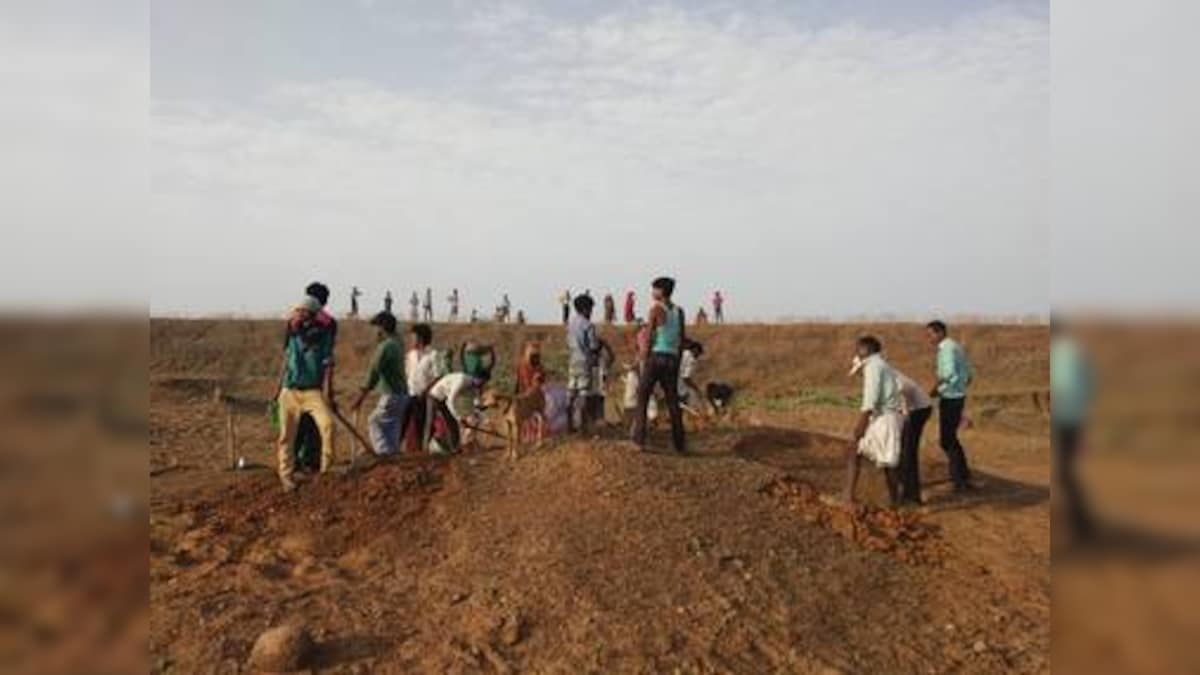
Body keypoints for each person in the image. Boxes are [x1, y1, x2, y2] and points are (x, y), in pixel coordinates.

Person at [274, 294, 337, 492]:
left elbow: (328, 363)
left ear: (311, 314)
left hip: (313, 391)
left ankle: (326, 471)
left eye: (302, 312)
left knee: (328, 426)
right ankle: (286, 475)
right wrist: (277, 388)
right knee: (287, 435)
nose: (298, 316)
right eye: (297, 312)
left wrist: (328, 390)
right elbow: (286, 360)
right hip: (290, 390)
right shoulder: (291, 332)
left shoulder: (322, 335)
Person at [851, 355, 932, 505]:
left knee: (907, 452)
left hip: (919, 408)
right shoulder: (879, 373)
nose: (861, 375)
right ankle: (905, 492)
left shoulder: (882, 372)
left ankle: (911, 497)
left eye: (860, 371)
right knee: (902, 451)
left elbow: (901, 389)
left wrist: (904, 414)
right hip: (910, 409)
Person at [843, 336, 904, 506]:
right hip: (885, 417)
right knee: (861, 454)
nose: (857, 352)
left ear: (865, 350)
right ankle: (850, 497)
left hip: (885, 419)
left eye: (858, 349)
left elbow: (870, 400)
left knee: (888, 464)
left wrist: (859, 428)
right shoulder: (881, 365)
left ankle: (895, 502)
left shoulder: (873, 367)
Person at [631, 276, 687, 454]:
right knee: (673, 402)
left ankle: (639, 441)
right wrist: (677, 363)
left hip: (656, 357)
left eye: (654, 289)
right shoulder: (679, 311)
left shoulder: (655, 309)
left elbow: (648, 337)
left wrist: (643, 359)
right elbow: (681, 340)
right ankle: (680, 445)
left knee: (642, 396)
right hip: (672, 358)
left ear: (661, 292)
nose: (652, 292)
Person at [1050, 319, 1094, 540]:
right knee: (1068, 471)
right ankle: (1080, 520)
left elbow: (1063, 387)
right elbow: (1091, 384)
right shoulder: (1076, 350)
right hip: (1078, 416)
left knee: (1066, 472)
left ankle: (1082, 524)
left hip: (1066, 417)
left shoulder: (1062, 353)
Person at [926, 320, 975, 491]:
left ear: (940, 333)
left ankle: (959, 481)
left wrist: (935, 390)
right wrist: (959, 388)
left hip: (950, 398)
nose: (929, 338)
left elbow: (947, 373)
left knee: (946, 440)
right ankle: (963, 476)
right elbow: (969, 375)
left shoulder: (946, 349)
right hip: (958, 396)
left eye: (931, 334)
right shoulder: (956, 347)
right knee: (950, 438)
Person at [350, 312, 408, 456]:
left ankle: (383, 453)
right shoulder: (398, 342)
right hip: (401, 393)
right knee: (392, 426)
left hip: (392, 393)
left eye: (376, 327)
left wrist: (360, 397)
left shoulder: (386, 346)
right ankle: (392, 453)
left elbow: (373, 372)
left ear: (382, 328)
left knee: (374, 421)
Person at [424, 369, 488, 454]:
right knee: (430, 422)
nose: (482, 385)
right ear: (477, 378)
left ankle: (454, 448)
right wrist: (459, 418)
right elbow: (450, 400)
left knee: (452, 424)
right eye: (482, 382)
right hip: (434, 396)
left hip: (443, 399)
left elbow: (476, 402)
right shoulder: (461, 380)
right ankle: (424, 448)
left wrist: (482, 417)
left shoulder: (473, 385)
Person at [400, 323, 438, 453]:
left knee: (423, 424)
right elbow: (406, 374)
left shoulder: (433, 355)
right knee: (403, 422)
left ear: (421, 338)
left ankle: (422, 450)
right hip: (410, 394)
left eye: (413, 337)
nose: (411, 340)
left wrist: (426, 390)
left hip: (426, 397)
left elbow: (437, 376)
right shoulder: (410, 355)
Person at [566, 294, 601, 434]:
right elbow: (593, 346)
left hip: (573, 361)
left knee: (571, 393)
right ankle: (582, 427)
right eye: (591, 309)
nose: (591, 313)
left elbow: (568, 342)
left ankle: (569, 425)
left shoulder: (570, 323)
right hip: (585, 362)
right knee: (584, 394)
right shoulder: (588, 325)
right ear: (586, 309)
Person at [678, 339, 704, 414]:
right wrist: (696, 389)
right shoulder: (691, 359)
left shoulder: (683, 353)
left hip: (670, 379)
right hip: (679, 384)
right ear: (695, 350)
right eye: (698, 354)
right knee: (692, 393)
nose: (698, 356)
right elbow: (686, 378)